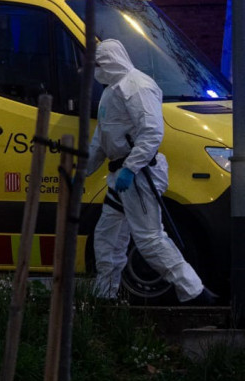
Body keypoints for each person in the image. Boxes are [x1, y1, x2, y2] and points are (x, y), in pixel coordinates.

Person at [85, 39, 215, 304]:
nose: (96, 70)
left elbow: (152, 132)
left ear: (109, 62)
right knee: (107, 236)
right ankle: (104, 296)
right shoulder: (112, 92)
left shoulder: (137, 87)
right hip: (123, 178)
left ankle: (195, 293)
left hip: (140, 176)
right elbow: (103, 138)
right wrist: (82, 171)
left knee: (150, 240)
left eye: (98, 64)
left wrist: (131, 168)